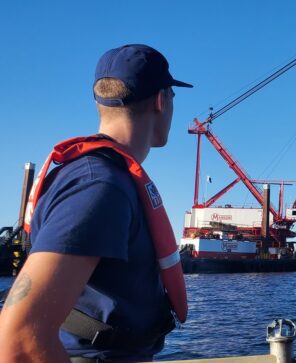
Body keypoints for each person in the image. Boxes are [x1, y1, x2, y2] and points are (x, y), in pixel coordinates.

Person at [0, 44, 192, 361]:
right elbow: (19, 337)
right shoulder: (100, 186)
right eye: (173, 96)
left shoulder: (104, 179)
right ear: (161, 101)